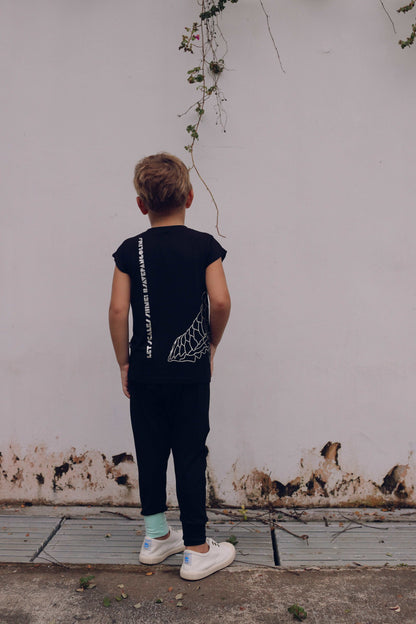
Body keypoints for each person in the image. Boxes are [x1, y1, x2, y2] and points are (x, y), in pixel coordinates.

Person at [109, 152, 234, 580]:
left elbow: (117, 311)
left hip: (144, 371)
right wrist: (211, 344)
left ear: (141, 204)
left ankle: (156, 537)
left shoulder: (130, 250)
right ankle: (196, 548)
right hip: (190, 373)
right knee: (189, 452)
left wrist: (124, 363)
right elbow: (220, 301)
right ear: (190, 197)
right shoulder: (204, 246)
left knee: (150, 451)